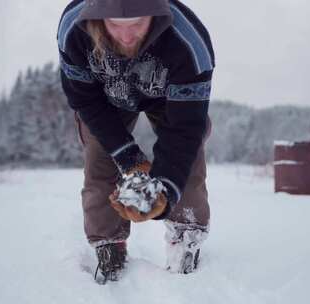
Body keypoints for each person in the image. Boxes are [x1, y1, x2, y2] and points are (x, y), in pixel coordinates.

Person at [57, 0, 215, 283]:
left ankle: (186, 236)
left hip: (168, 101)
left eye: (137, 24)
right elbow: (84, 100)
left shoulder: (190, 44)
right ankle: (109, 245)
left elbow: (183, 132)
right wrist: (127, 157)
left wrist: (164, 192)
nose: (127, 36)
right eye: (116, 25)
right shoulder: (74, 30)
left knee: (188, 162)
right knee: (100, 159)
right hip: (105, 102)